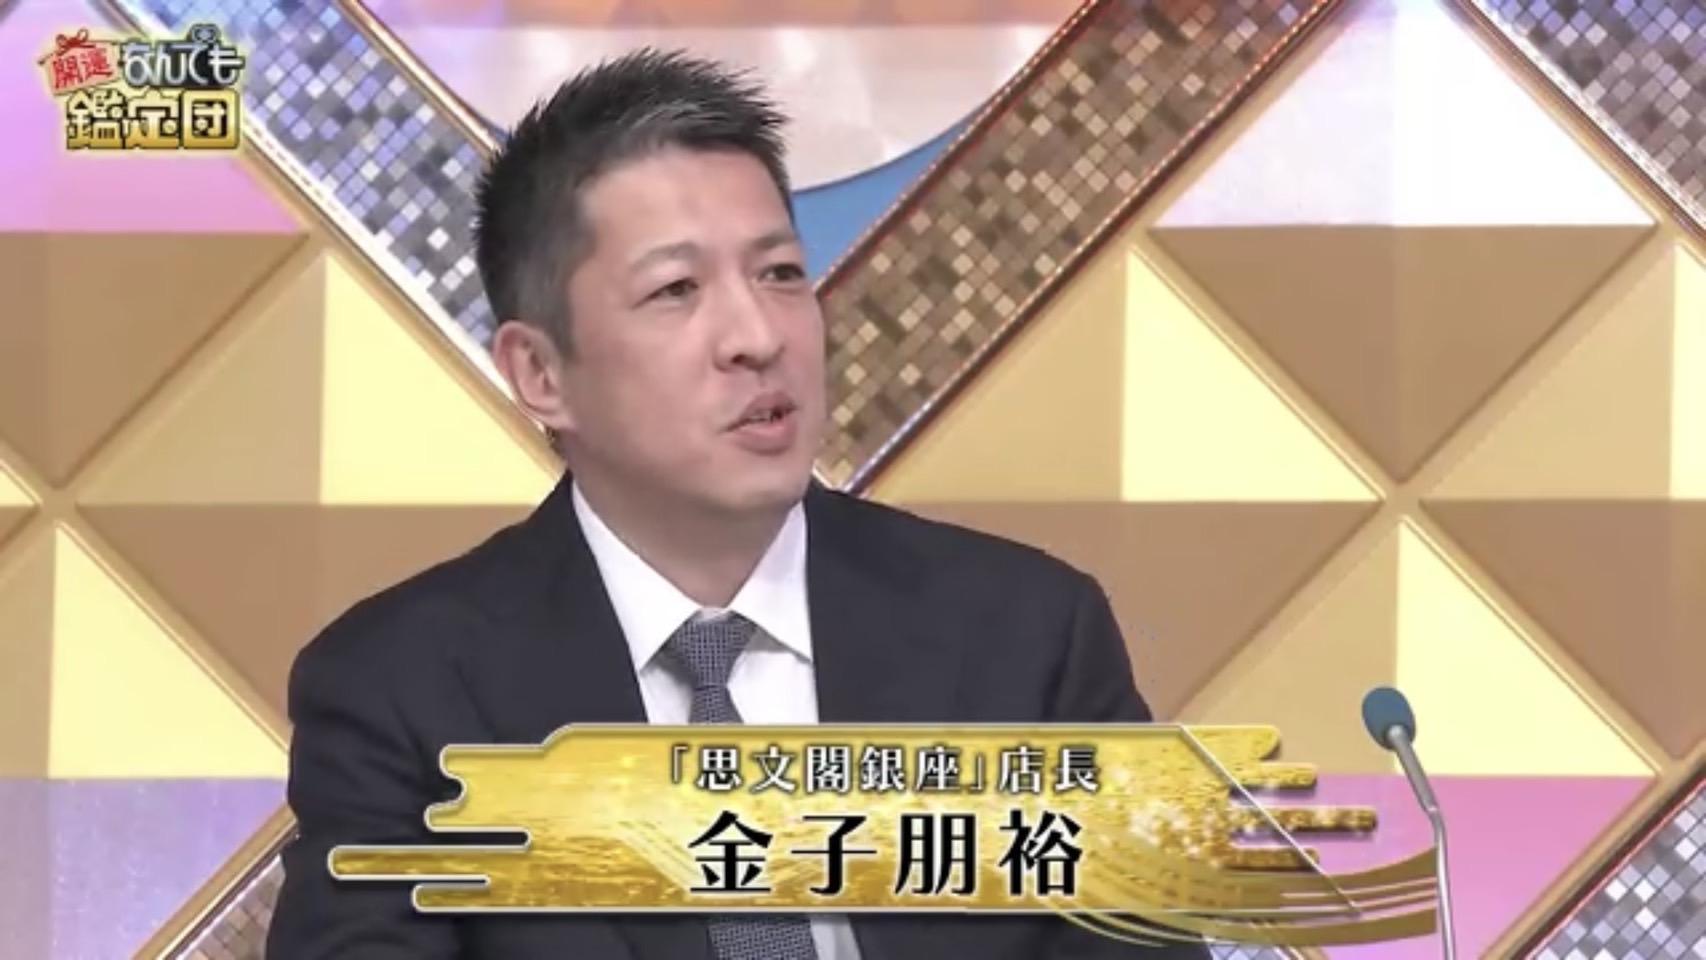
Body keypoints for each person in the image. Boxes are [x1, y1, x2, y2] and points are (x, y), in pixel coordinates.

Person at [267, 48, 1209, 960]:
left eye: (780, 274)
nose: (758, 335)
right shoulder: (404, 693)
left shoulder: (1027, 637)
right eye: (677, 289)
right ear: (541, 372)